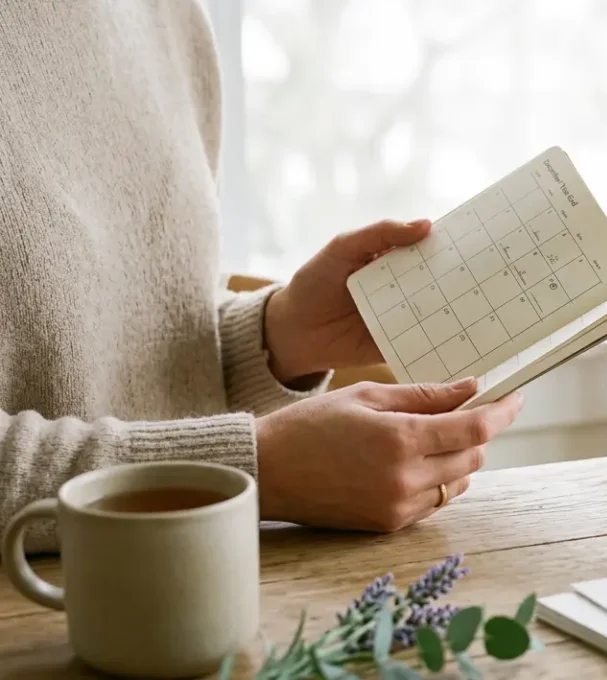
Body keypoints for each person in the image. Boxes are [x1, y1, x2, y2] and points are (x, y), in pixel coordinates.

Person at [0, 2, 524, 554]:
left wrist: (275, 337)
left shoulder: (170, 17)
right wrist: (254, 470)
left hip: (202, 574)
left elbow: (119, 339)